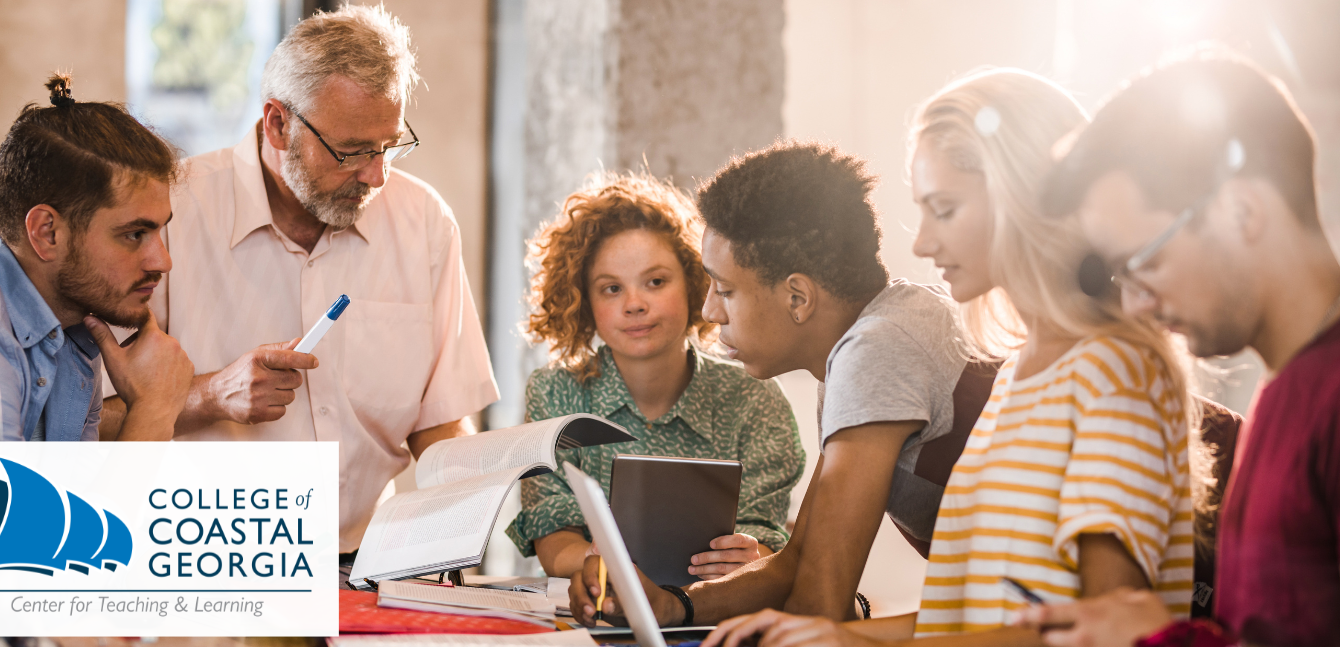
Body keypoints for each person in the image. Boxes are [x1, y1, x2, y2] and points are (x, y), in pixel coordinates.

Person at [699, 69, 1200, 647]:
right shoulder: (1018, 375)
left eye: (945, 209)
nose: (922, 243)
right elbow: (973, 620)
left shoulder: (1113, 372)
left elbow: (1102, 631)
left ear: (1022, 199)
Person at [96, 5, 500, 553]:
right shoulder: (172, 216)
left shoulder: (423, 223)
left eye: (388, 146)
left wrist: (467, 519)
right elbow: (88, 422)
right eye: (352, 151)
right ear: (277, 123)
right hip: (203, 562)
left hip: (363, 568)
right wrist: (213, 394)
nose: (376, 175)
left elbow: (440, 425)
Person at [571, 140, 991, 626]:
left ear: (798, 298)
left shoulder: (877, 351)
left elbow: (819, 605)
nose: (709, 311)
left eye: (725, 290)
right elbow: (798, 562)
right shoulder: (879, 332)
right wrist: (672, 604)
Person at [1015, 53, 1340, 647]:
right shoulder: (1283, 396)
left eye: (1147, 263)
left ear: (1242, 210)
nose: (1136, 305)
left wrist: (1164, 640)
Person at [505, 172, 804, 580]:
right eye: (611, 288)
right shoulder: (554, 392)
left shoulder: (756, 398)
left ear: (697, 283)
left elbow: (763, 534)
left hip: (718, 614)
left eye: (656, 281)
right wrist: (602, 566)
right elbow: (552, 537)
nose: (634, 304)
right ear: (584, 301)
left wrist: (752, 557)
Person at [0, 74, 192, 443]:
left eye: (159, 232)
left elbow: (77, 496)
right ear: (47, 233)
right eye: (134, 234)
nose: (162, 261)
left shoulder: (76, 333)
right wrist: (154, 408)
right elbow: (10, 504)